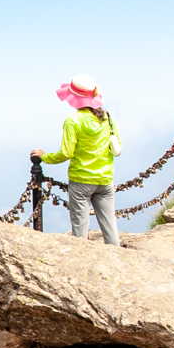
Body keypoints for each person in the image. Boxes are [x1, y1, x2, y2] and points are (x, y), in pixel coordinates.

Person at [32, 75, 122, 245]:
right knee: (110, 229)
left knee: (80, 233)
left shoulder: (73, 121)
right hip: (105, 179)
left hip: (81, 181)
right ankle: (118, 265)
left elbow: (66, 153)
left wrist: (44, 156)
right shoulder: (108, 118)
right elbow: (117, 145)